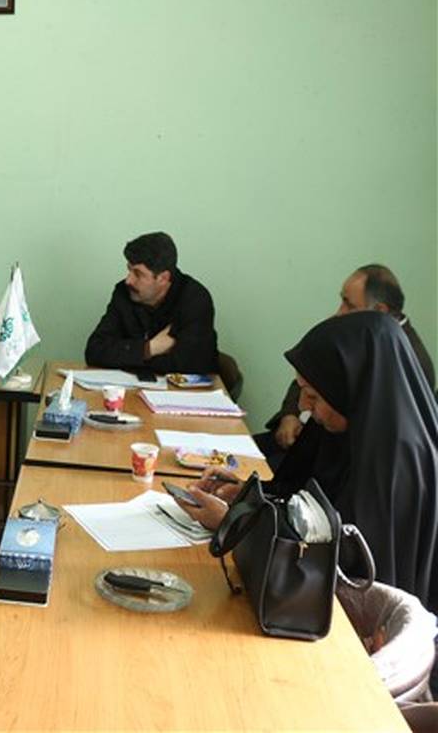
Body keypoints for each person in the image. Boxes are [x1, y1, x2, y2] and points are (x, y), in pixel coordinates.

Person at [176, 312, 437, 614]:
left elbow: (345, 567)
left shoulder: (396, 463)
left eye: (313, 396)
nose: (302, 406)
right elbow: (303, 501)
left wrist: (236, 523)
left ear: (350, 390)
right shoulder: (343, 424)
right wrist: (248, 495)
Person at [259, 264, 435, 466]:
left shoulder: (410, 363)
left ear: (380, 310)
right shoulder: (353, 333)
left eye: (349, 305)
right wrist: (290, 414)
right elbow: (309, 374)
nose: (339, 312)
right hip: (305, 436)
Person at [84, 231, 218, 374]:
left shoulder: (194, 299)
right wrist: (150, 348)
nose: (128, 280)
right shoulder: (124, 293)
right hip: (133, 386)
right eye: (129, 270)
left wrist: (129, 356)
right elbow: (94, 351)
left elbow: (191, 365)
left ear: (163, 278)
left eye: (138, 274)